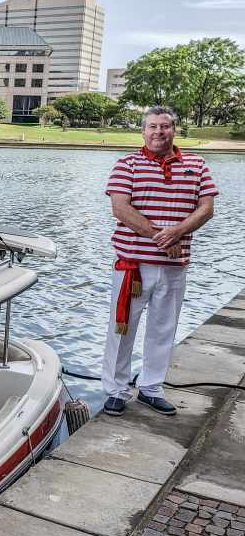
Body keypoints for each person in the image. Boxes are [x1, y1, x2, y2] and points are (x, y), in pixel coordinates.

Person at [101, 106, 217, 417]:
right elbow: (120, 208)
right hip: (133, 266)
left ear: (174, 130)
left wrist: (177, 231)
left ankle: (151, 388)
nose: (158, 132)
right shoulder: (127, 164)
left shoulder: (197, 164)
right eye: (152, 126)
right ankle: (116, 389)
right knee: (121, 328)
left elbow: (206, 208)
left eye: (164, 127)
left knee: (163, 328)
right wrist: (160, 237)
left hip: (175, 266)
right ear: (143, 131)